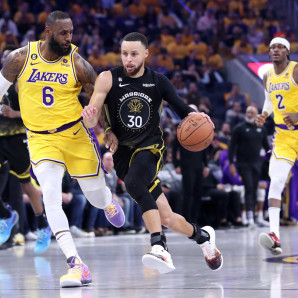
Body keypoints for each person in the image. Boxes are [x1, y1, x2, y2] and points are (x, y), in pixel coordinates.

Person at [0, 11, 125, 287]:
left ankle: (106, 200)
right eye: (63, 33)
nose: (69, 38)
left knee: (94, 198)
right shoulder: (20, 58)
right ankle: (76, 263)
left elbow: (100, 99)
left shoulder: (78, 64)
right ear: (48, 31)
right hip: (41, 140)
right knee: (51, 197)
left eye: (71, 33)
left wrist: (108, 128)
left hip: (75, 136)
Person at [82, 32, 223, 274]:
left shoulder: (158, 82)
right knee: (166, 217)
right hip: (123, 154)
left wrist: (197, 116)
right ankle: (203, 238)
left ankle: (159, 247)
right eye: (124, 53)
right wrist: (93, 119)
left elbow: (182, 108)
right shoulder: (107, 78)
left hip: (150, 148)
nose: (128, 59)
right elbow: (93, 113)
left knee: (135, 183)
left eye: (134, 54)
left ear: (146, 54)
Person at [0, 45, 52, 253]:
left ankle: (42, 225)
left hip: (18, 138)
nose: (7, 61)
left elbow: (40, 113)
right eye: (4, 58)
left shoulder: (24, 83)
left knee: (25, 184)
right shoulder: (1, 81)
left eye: (10, 58)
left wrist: (14, 114)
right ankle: (6, 215)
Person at [256, 37, 298, 255]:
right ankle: (274, 235)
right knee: (277, 182)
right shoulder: (267, 76)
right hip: (283, 135)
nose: (276, 50)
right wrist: (264, 115)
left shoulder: (296, 70)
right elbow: (270, 101)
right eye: (273, 47)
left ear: (288, 52)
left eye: (281, 47)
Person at [229, 106, 270, 227]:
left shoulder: (261, 129)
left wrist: (274, 156)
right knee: (249, 187)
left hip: (257, 164)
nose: (250, 114)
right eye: (248, 112)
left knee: (256, 188)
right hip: (243, 163)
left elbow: (266, 146)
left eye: (252, 112)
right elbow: (232, 147)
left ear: (257, 114)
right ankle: (250, 217)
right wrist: (231, 163)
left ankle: (258, 217)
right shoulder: (239, 128)